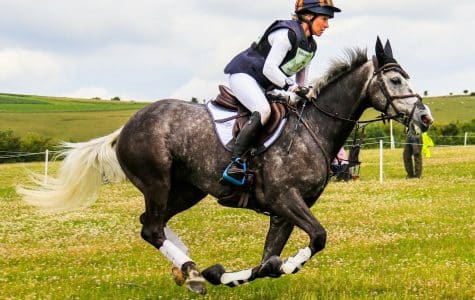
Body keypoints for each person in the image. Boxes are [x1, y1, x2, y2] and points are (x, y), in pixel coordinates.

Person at [221, 0, 341, 185]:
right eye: (324, 19)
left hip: (266, 85)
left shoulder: (310, 46)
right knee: (263, 110)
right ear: (309, 16)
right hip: (245, 76)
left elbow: (301, 81)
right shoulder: (286, 34)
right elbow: (270, 69)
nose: (327, 25)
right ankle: (235, 163)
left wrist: (304, 93)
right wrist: (292, 88)